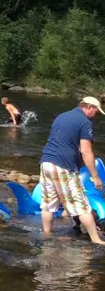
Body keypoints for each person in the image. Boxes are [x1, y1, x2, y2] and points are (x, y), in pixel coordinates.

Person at [38, 97, 105, 245]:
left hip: (46, 162)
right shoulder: (84, 122)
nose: (96, 115)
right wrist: (95, 176)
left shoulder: (62, 116)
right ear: (88, 107)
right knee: (82, 204)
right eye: (96, 111)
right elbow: (86, 151)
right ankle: (96, 239)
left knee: (48, 203)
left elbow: (61, 141)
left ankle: (46, 234)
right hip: (63, 165)